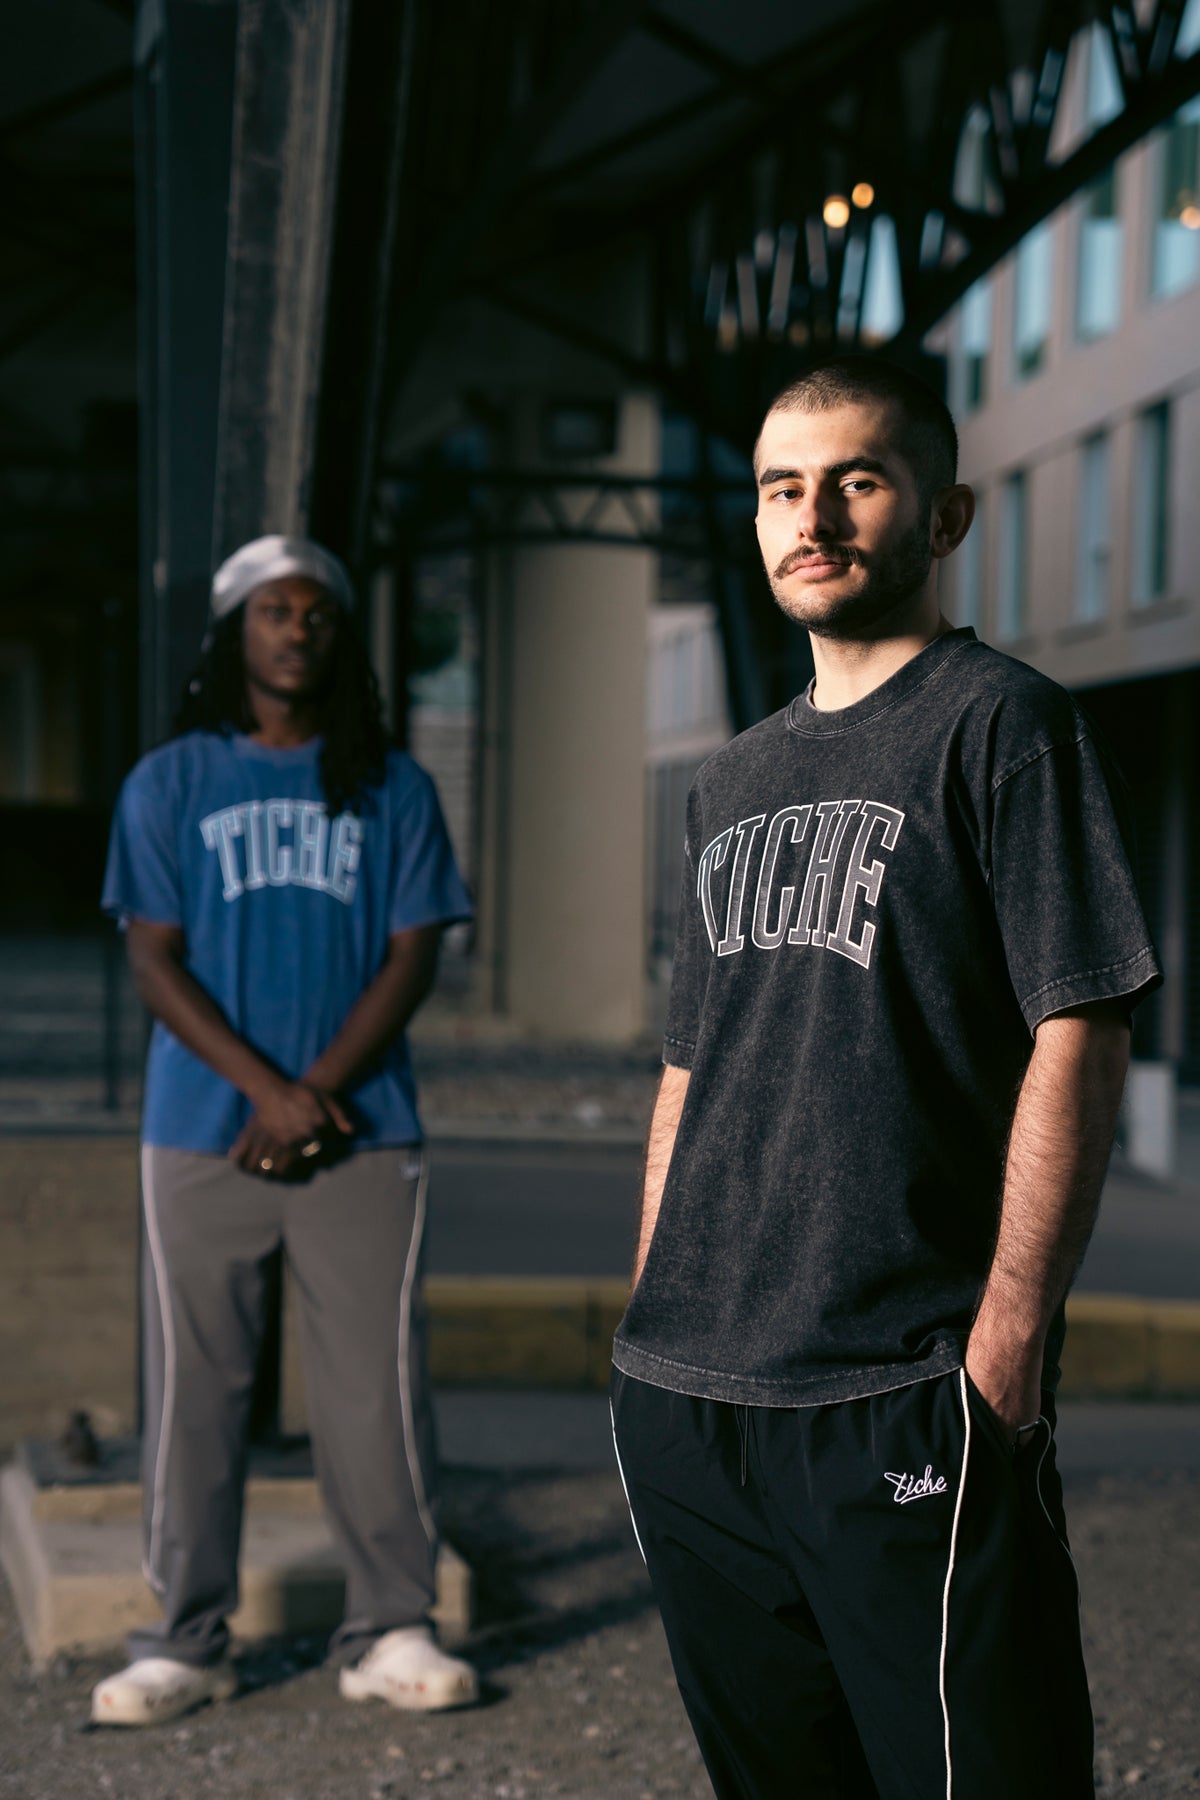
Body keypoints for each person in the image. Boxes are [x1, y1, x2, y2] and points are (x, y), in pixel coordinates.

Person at [610, 359, 1161, 1799]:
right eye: (782, 489)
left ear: (944, 513)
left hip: (905, 1387)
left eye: (857, 480)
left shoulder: (1004, 726)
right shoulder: (728, 780)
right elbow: (690, 1068)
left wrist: (1006, 1353)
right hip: (691, 1396)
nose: (815, 518)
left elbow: (1081, 1030)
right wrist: (646, 1311)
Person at [94, 535, 478, 1726]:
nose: (297, 630)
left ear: (340, 637)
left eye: (317, 614)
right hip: (200, 1132)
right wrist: (267, 1092)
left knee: (376, 1390)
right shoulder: (169, 784)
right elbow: (153, 962)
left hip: (364, 1129)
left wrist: (311, 1092)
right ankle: (184, 1641)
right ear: (234, 635)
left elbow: (414, 956)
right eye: (273, 611)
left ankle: (392, 1628)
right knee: (193, 1390)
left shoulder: (393, 788)